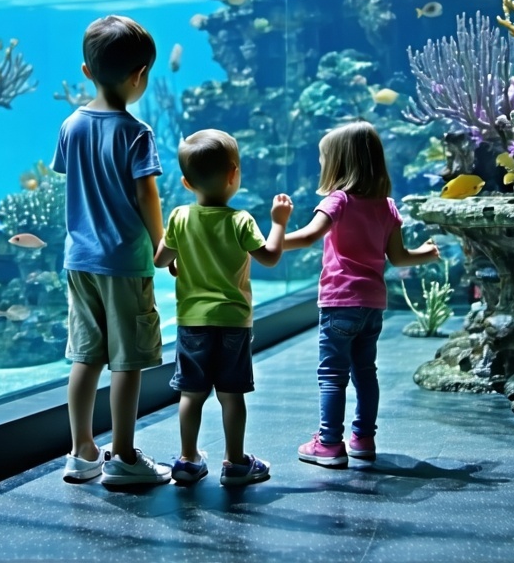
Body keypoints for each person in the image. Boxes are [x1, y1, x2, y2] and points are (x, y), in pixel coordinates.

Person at [53, 15, 171, 486]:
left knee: (86, 356)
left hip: (79, 261)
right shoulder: (136, 132)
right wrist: (165, 246)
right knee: (128, 360)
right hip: (124, 262)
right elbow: (147, 196)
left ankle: (81, 451)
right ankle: (122, 455)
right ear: (141, 75)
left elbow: (73, 180)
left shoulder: (71, 125)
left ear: (86, 71)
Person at [281, 121, 440, 467]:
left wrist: (268, 243)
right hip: (372, 306)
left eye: (325, 159)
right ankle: (363, 438)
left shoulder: (338, 200)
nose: (322, 165)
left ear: (339, 163)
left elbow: (309, 236)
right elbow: (397, 258)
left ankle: (329, 443)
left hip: (340, 303)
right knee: (365, 372)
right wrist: (426, 254)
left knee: (331, 375)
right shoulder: (386, 206)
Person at [154, 129, 292, 486]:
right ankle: (235, 464)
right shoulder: (241, 220)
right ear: (234, 174)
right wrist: (278, 223)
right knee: (231, 396)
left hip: (192, 323)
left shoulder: (180, 217)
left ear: (185, 182)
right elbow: (271, 258)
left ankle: (187, 460)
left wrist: (177, 260)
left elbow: (160, 259)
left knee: (191, 394)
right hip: (233, 322)